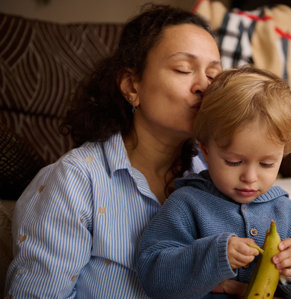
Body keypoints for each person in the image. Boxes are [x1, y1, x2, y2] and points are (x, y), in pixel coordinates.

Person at [5, 4, 224, 297]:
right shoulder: (75, 181)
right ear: (132, 86)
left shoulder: (217, 174)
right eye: (183, 69)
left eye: (213, 75)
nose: (203, 86)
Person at [136, 66, 291, 299]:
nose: (250, 177)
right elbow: (153, 274)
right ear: (206, 151)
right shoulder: (186, 205)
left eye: (267, 164)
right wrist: (214, 255)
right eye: (233, 161)